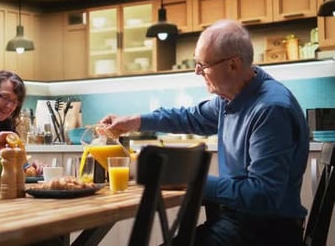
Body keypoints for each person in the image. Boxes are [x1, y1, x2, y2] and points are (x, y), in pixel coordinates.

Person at [100, 19, 309, 246]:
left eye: (203, 65)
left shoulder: (270, 109)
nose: (197, 71)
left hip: (267, 234)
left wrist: (189, 179)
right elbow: (189, 117)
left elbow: (263, 196)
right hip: (238, 221)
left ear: (233, 65)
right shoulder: (232, 97)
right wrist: (134, 121)